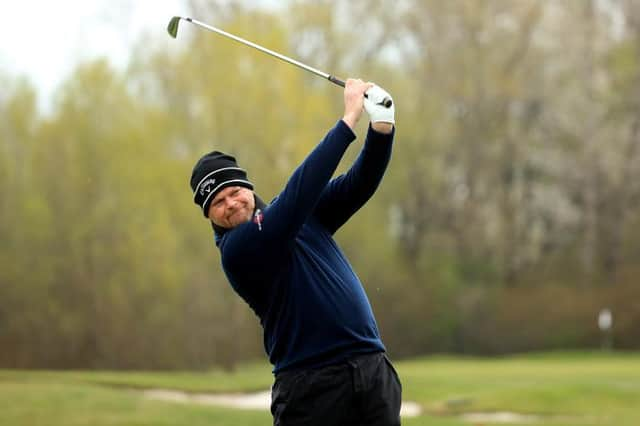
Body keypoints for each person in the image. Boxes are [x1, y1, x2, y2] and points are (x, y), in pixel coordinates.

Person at [190, 79, 401, 425]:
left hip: (371, 371)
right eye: (217, 202)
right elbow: (299, 193)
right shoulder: (238, 250)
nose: (230, 204)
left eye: (233, 191)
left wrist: (381, 128)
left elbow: (358, 184)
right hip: (311, 388)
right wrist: (348, 120)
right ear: (210, 216)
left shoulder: (295, 216)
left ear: (248, 187)